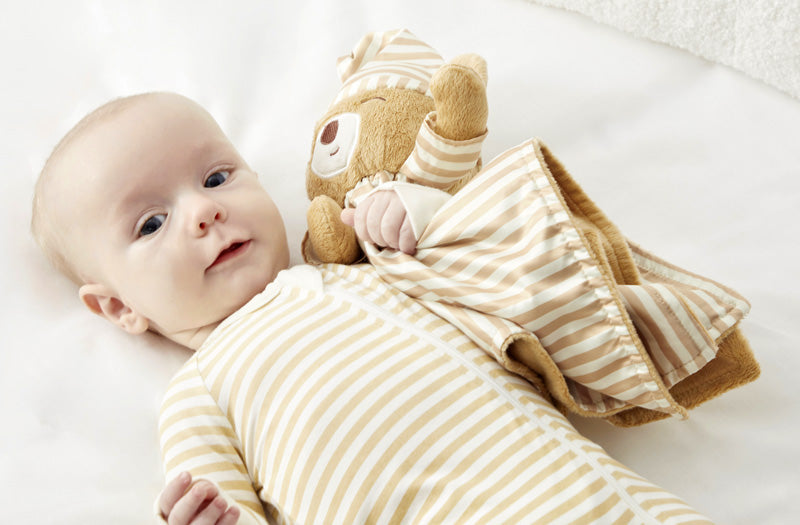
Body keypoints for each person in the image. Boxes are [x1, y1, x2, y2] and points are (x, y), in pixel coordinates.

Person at [33, 91, 715, 524]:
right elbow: (221, 500)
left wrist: (415, 213)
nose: (203, 211)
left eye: (216, 177)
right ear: (117, 307)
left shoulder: (367, 271)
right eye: (151, 223)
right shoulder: (198, 396)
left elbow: (497, 280)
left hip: (589, 500)